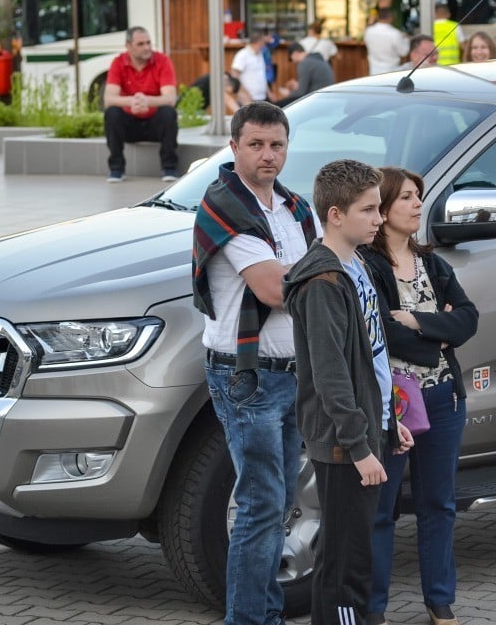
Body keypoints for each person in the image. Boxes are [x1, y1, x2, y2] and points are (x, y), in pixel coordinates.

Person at [191, 101, 321, 625]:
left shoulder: (293, 207)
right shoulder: (224, 205)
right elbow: (274, 288)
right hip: (246, 377)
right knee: (262, 506)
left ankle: (263, 613)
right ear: (234, 147)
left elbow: (312, 273)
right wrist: (319, 275)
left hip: (291, 374)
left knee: (278, 504)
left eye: (277, 145)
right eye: (256, 145)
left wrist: (312, 273)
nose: (268, 155)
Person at [283, 159, 414, 625]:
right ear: (335, 214)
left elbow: (371, 359)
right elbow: (331, 373)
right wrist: (359, 446)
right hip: (343, 445)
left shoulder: (355, 265)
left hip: (367, 429)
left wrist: (389, 422)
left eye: (379, 209)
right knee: (346, 564)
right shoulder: (323, 282)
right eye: (369, 210)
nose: (380, 219)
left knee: (350, 556)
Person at [361, 167, 479, 625]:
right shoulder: (368, 266)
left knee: (438, 504)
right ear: (384, 207)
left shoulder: (433, 262)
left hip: (444, 398)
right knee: (382, 509)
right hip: (394, 404)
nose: (417, 205)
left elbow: (468, 319)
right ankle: (373, 609)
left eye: (418, 196)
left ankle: (439, 601)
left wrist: (416, 322)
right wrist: (438, 334)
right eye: (407, 197)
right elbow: (381, 335)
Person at [103, 26, 178, 183]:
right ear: (128, 46)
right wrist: (132, 102)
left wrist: (147, 101)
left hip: (154, 124)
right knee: (112, 113)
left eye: (148, 43)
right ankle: (116, 169)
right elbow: (108, 98)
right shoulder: (118, 63)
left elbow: (170, 97)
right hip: (129, 124)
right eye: (141, 44)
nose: (147, 47)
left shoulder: (162, 61)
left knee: (168, 112)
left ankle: (169, 167)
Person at [364, 7, 410, 75]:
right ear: (390, 18)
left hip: (373, 71)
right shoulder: (394, 33)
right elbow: (404, 52)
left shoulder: (368, 31)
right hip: (391, 71)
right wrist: (406, 39)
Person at [188, 72, 252, 115]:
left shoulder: (223, 77)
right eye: (228, 92)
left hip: (196, 108)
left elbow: (238, 96)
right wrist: (241, 115)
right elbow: (229, 100)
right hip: (188, 105)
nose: (228, 94)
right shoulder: (219, 80)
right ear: (229, 85)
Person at [232, 32, 270, 102]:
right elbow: (234, 76)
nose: (264, 45)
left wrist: (269, 93)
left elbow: (262, 76)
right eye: (263, 42)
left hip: (262, 98)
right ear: (259, 42)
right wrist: (244, 93)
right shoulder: (242, 54)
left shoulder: (260, 54)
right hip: (248, 99)